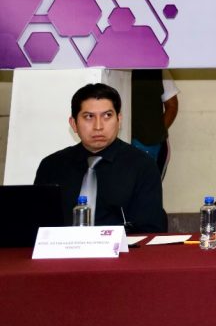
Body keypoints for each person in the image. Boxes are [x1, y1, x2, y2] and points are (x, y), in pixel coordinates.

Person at [34, 83, 167, 233]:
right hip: (63, 247)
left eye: (107, 116)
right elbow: (38, 226)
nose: (98, 126)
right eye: (89, 117)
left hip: (123, 247)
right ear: (74, 124)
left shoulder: (142, 165)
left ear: (119, 120)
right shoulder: (52, 166)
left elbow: (150, 230)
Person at [130, 69, 179, 180]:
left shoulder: (159, 69)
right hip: (118, 144)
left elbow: (172, 106)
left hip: (151, 146)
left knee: (149, 187)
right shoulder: (111, 68)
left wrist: (155, 132)